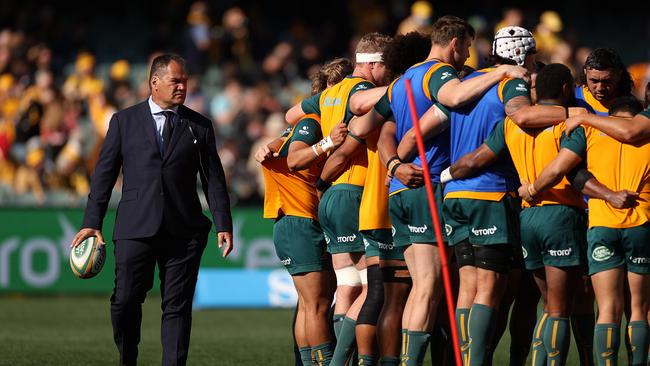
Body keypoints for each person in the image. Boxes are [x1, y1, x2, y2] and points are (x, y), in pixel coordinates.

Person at [70, 54, 233, 366]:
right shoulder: (123, 121)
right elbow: (103, 176)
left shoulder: (199, 126)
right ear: (154, 82)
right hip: (135, 227)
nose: (182, 86)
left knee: (177, 306)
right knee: (125, 300)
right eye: (175, 81)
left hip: (184, 231)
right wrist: (93, 222)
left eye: (185, 81)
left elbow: (213, 179)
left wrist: (223, 223)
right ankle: (127, 357)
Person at [519, 92, 650, 366]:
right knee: (639, 308)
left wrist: (531, 189)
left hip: (602, 226)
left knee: (607, 311)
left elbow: (569, 172)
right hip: (641, 225)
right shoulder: (644, 133)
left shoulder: (589, 131)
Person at [286, 32, 393, 366]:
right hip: (356, 191)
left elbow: (292, 115)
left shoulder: (330, 93)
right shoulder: (362, 90)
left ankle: (341, 360)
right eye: (386, 67)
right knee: (368, 288)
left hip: (331, 195)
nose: (388, 73)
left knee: (346, 287)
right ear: (373, 64)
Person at [255, 57, 353, 366]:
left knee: (310, 305)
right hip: (299, 221)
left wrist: (267, 146)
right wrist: (328, 142)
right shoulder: (313, 123)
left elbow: (273, 150)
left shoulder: (300, 125)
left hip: (294, 220)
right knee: (318, 306)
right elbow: (296, 159)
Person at [575, 48, 634, 116]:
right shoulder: (571, 97)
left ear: (619, 75)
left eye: (606, 81)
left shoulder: (632, 109)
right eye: (594, 81)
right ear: (585, 72)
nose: (600, 88)